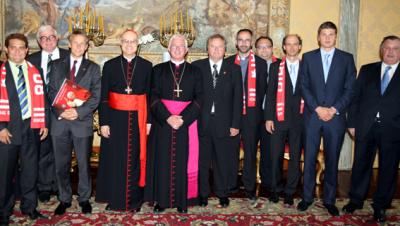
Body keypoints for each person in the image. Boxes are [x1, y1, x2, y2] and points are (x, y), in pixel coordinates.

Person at [297, 21, 356, 216]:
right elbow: (303, 85)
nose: (328, 38)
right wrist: (317, 108)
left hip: (335, 118)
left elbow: (350, 89)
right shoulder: (308, 57)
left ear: (336, 36)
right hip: (312, 117)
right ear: (318, 36)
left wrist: (333, 109)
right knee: (310, 158)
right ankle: (307, 198)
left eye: (331, 34)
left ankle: (329, 200)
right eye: (324, 34)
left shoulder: (346, 59)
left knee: (332, 159)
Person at [343, 35, 400, 223]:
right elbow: (355, 98)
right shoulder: (367, 70)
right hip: (365, 126)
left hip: (393, 129)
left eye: (395, 48)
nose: (390, 52)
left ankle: (381, 205)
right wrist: (351, 123)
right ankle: (356, 200)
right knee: (360, 164)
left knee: (388, 168)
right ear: (381, 49)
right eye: (387, 48)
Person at [95, 29, 152, 212]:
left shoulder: (146, 65)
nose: (129, 44)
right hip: (114, 118)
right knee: (115, 159)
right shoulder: (110, 65)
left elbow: (150, 96)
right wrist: (104, 122)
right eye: (126, 41)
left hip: (138, 118)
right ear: (120, 43)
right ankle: (115, 198)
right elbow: (104, 97)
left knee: (135, 157)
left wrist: (148, 121)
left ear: (138, 43)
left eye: (133, 41)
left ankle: (135, 201)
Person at [145, 34, 203, 213]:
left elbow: (200, 98)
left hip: (186, 124)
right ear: (168, 49)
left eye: (181, 46)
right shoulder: (158, 70)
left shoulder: (195, 71)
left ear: (187, 50)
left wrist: (183, 118)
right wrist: (167, 117)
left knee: (183, 161)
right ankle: (161, 201)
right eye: (174, 46)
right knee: (162, 161)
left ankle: (182, 201)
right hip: (163, 124)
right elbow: (152, 97)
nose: (178, 49)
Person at [48, 30, 101, 216]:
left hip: (81, 123)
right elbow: (52, 91)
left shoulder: (93, 68)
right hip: (60, 122)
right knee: (61, 164)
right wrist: (63, 111)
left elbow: (95, 96)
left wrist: (77, 112)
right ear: (69, 44)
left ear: (87, 46)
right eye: (75, 43)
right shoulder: (55, 65)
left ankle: (84, 198)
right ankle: (64, 198)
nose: (79, 46)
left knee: (84, 164)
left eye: (82, 43)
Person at [0, 33, 48, 225]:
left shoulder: (35, 71)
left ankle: (29, 207)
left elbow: (42, 98)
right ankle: (3, 211)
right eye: (13, 47)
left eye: (22, 47)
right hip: (7, 130)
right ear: (6, 49)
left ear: (27, 50)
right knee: (4, 174)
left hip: (31, 128)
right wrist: (0, 127)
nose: (18, 51)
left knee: (30, 171)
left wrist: (43, 123)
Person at [192, 34, 242, 208]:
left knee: (222, 161)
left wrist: (236, 124)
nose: (216, 50)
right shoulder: (197, 67)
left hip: (224, 124)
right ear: (207, 48)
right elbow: (192, 98)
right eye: (213, 46)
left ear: (225, 49)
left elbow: (238, 99)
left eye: (220, 47)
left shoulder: (234, 69)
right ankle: (203, 194)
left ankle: (222, 193)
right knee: (203, 161)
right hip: (201, 123)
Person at [27, 25, 69, 203]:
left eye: (51, 37)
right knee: (43, 151)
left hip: (64, 112)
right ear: (39, 41)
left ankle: (61, 188)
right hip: (40, 112)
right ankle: (44, 186)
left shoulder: (69, 56)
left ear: (57, 37)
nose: (48, 41)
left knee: (62, 153)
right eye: (43, 38)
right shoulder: (30, 59)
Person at [226, 29, 268, 201]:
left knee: (250, 151)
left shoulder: (261, 63)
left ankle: (250, 186)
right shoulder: (227, 62)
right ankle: (230, 183)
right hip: (231, 115)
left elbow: (263, 91)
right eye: (240, 40)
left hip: (252, 116)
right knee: (231, 150)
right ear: (236, 42)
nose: (243, 43)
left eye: (247, 40)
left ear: (251, 43)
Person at [265, 34, 303, 206]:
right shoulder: (275, 67)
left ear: (300, 46)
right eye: (289, 44)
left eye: (295, 44)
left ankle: (290, 191)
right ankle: (275, 189)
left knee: (295, 157)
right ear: (284, 47)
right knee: (275, 156)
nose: (292, 47)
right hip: (278, 119)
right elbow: (270, 94)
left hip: (300, 120)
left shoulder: (307, 66)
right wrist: (268, 118)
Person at [255, 35, 279, 193]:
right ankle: (262, 180)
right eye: (261, 47)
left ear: (272, 48)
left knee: (271, 149)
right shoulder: (251, 66)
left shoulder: (280, 66)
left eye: (267, 47)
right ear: (255, 50)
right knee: (261, 149)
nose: (264, 50)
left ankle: (272, 182)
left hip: (275, 114)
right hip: (255, 113)